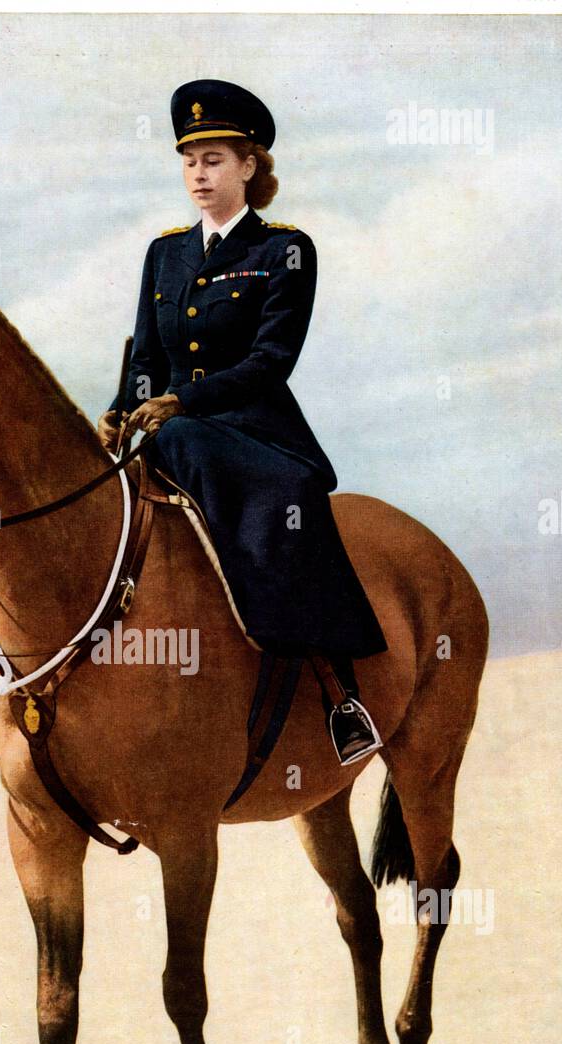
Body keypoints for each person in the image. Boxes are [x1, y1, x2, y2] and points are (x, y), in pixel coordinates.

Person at [97, 79, 386, 765]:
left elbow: (271, 360)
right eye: (190, 160)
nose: (199, 173)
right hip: (173, 431)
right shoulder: (164, 253)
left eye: (216, 159)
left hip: (256, 430)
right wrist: (118, 409)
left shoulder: (285, 250)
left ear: (250, 167)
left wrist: (181, 403)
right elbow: (146, 356)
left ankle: (335, 688)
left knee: (260, 488)